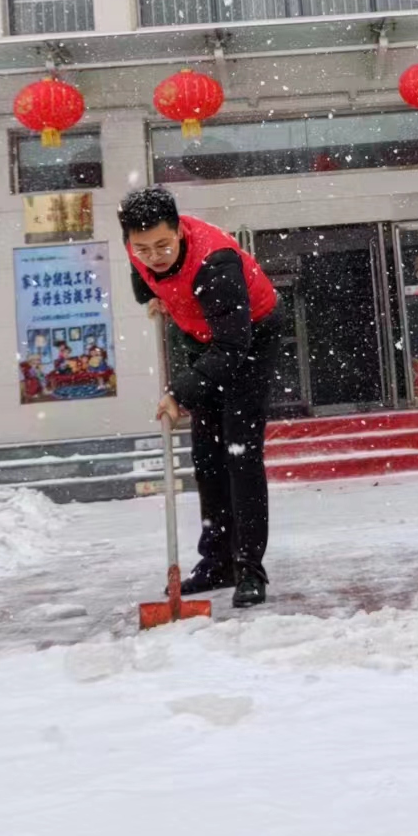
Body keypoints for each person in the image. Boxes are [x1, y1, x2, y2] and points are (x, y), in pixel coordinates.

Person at [121, 186, 281, 608]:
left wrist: (179, 393)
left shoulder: (215, 262)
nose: (153, 256)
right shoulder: (137, 248)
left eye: (163, 245)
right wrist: (151, 295)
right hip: (202, 337)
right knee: (207, 457)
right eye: (142, 248)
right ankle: (217, 561)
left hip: (250, 338)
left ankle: (249, 568)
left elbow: (232, 346)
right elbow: (141, 273)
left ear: (179, 231)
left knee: (240, 453)